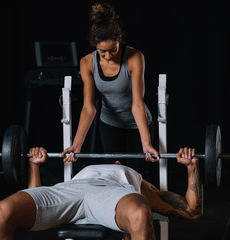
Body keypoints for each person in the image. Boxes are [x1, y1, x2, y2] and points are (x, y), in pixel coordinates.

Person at [0, 147, 203, 240]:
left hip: (112, 194)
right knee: (0, 212)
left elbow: (191, 211)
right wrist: (34, 165)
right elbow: (34, 202)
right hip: (70, 191)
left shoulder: (133, 176)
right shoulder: (83, 173)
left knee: (139, 213)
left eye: (117, 160)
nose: (114, 160)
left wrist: (192, 167)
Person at [62, 2, 159, 176]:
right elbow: (89, 108)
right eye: (102, 52)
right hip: (110, 123)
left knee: (137, 176)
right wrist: (77, 145)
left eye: (113, 50)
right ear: (94, 45)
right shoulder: (86, 63)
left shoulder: (135, 57)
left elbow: (137, 104)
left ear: (119, 41)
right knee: (115, 173)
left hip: (137, 123)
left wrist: (146, 143)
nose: (108, 57)